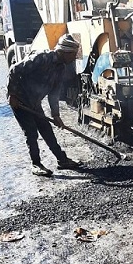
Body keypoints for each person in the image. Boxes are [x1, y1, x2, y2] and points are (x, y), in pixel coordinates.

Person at [7, 34, 81, 176]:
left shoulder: (60, 68)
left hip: (34, 101)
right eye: (73, 54)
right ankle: (36, 164)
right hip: (20, 100)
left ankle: (62, 160)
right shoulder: (42, 58)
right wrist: (13, 94)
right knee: (31, 133)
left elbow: (54, 93)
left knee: (46, 129)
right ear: (64, 52)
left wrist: (56, 115)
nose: (75, 57)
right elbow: (15, 70)